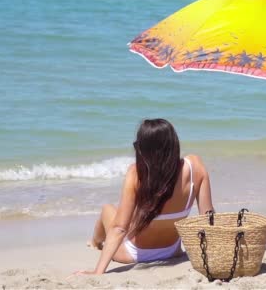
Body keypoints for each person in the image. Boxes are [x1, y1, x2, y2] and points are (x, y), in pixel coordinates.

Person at [75, 118, 214, 275]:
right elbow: (208, 219)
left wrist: (97, 272)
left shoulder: (136, 173)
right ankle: (95, 242)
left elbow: (119, 228)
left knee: (107, 209)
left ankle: (95, 242)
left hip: (131, 255)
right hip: (172, 252)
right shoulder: (195, 166)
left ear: (144, 150)